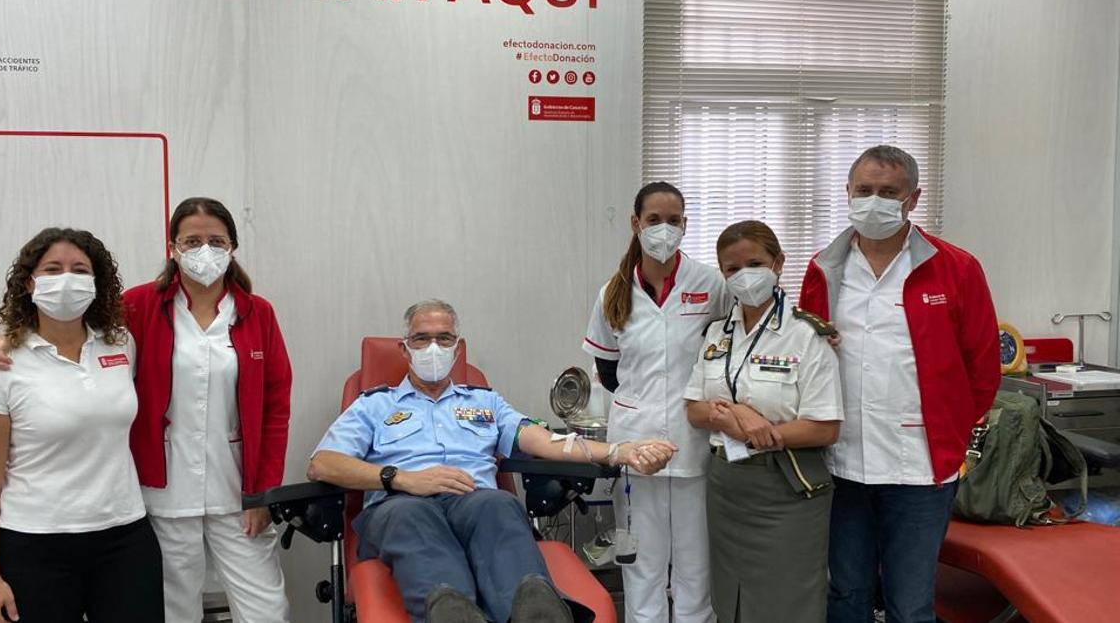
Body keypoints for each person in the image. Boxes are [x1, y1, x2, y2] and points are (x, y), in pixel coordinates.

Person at [0, 198, 293, 623]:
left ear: (232, 247)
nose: (204, 251)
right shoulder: (139, 306)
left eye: (216, 241)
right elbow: (68, 329)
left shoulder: (257, 312)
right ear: (172, 247)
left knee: (267, 610)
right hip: (161, 491)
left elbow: (275, 406)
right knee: (175, 610)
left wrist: (263, 493)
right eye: (192, 241)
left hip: (238, 490)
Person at [309, 299, 679, 623]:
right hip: (400, 503)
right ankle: (450, 609)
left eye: (444, 338)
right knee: (411, 516)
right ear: (405, 350)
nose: (433, 347)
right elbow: (323, 464)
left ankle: (536, 607)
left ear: (458, 348)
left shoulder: (484, 401)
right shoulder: (375, 404)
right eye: (422, 339)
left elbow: (544, 440)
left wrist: (618, 450)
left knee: (498, 503)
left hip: (474, 500)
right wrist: (401, 478)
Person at [797, 145, 1000, 623]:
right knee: (846, 594)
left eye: (888, 192)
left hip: (921, 471)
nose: (874, 201)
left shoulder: (956, 268)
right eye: (864, 190)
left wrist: (949, 433)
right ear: (847, 193)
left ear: (913, 198)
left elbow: (983, 370)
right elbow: (806, 358)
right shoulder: (825, 269)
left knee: (910, 604)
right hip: (842, 463)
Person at [0, 228, 164, 623]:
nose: (66, 279)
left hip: (124, 539)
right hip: (33, 546)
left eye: (79, 269)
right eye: (52, 269)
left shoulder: (120, 344)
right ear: (29, 282)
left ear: (96, 282)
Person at [684, 220, 843, 622]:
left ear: (778, 263)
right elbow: (694, 409)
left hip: (786, 488)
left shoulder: (806, 334)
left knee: (787, 601)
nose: (744, 276)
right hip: (726, 486)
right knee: (730, 598)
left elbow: (824, 428)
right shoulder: (718, 333)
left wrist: (762, 433)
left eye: (754, 263)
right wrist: (735, 416)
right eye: (732, 269)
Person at [581, 181, 725, 623]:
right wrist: (642, 404)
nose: (664, 229)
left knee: (695, 567)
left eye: (674, 220)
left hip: (694, 442)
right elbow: (608, 370)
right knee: (641, 564)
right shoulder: (613, 293)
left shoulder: (711, 283)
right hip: (635, 445)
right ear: (635, 224)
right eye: (654, 220)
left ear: (686, 225)